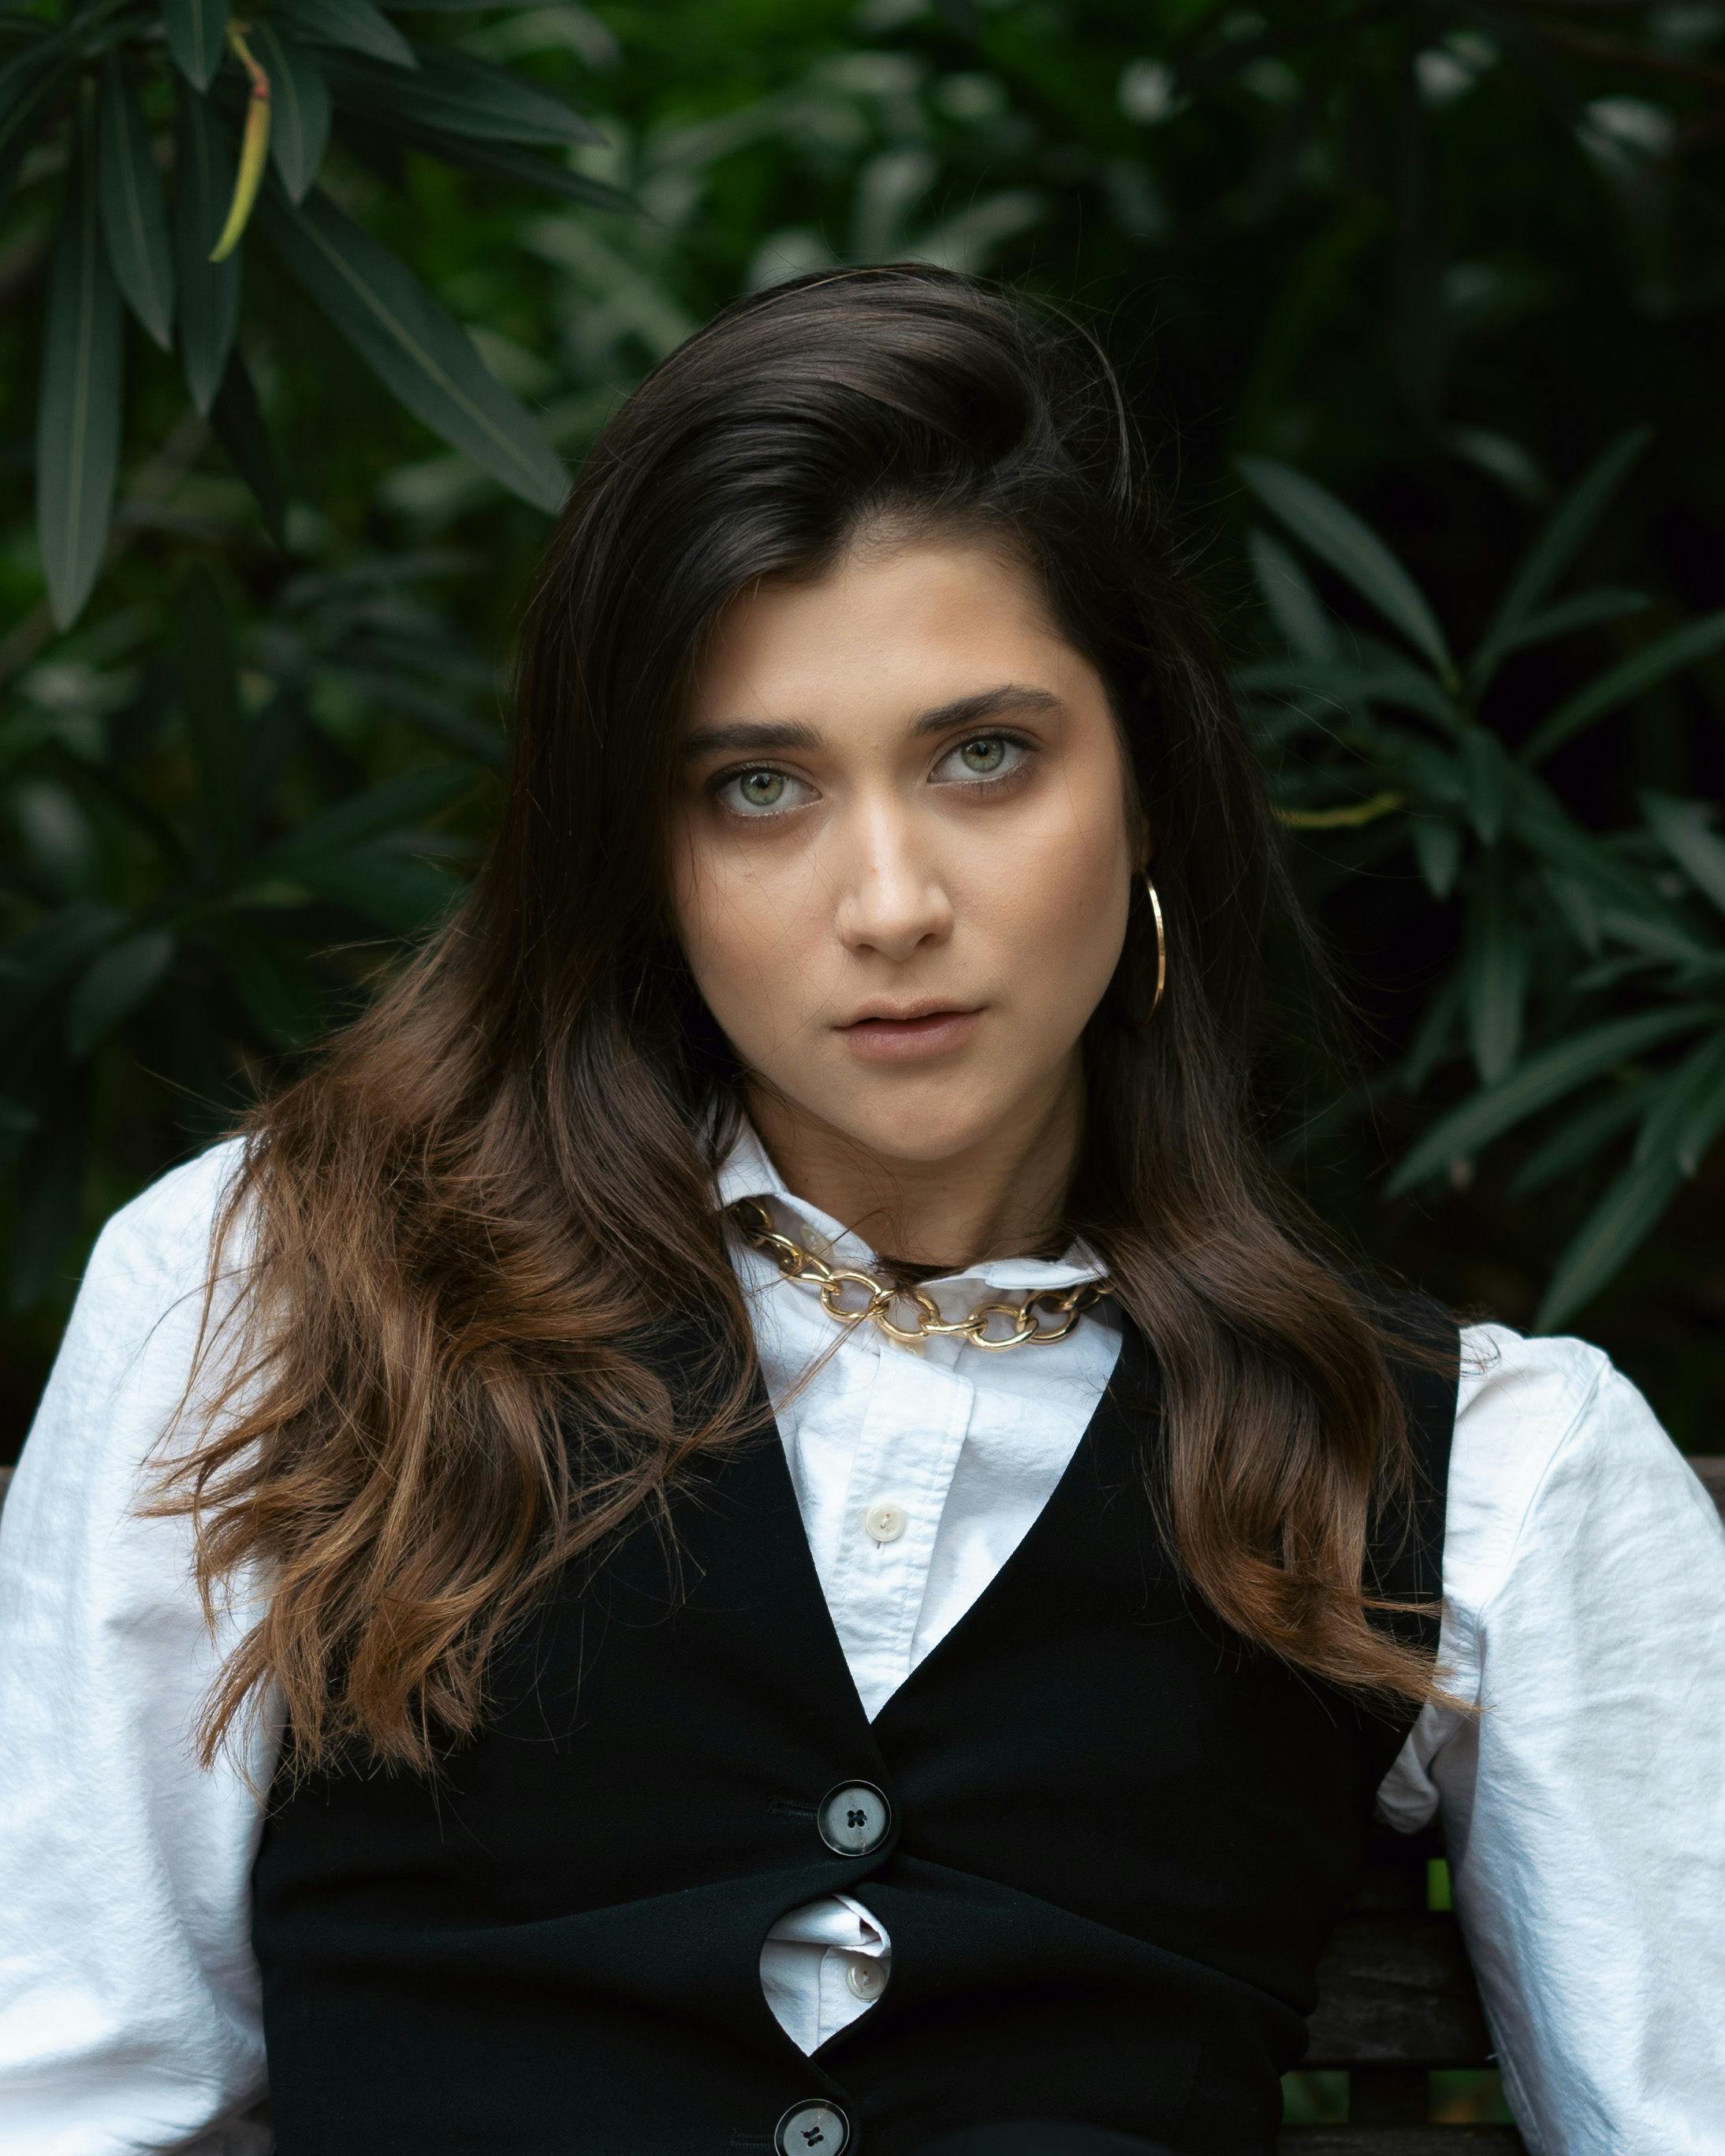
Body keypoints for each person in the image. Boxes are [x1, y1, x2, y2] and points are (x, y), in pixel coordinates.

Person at [1, 265, 1721, 2156]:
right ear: (635, 856)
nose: (888, 900)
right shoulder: (275, 1296)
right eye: (758, 788)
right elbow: (70, 2091)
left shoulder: (1475, 1471)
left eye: (982, 755)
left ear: (1146, 788)